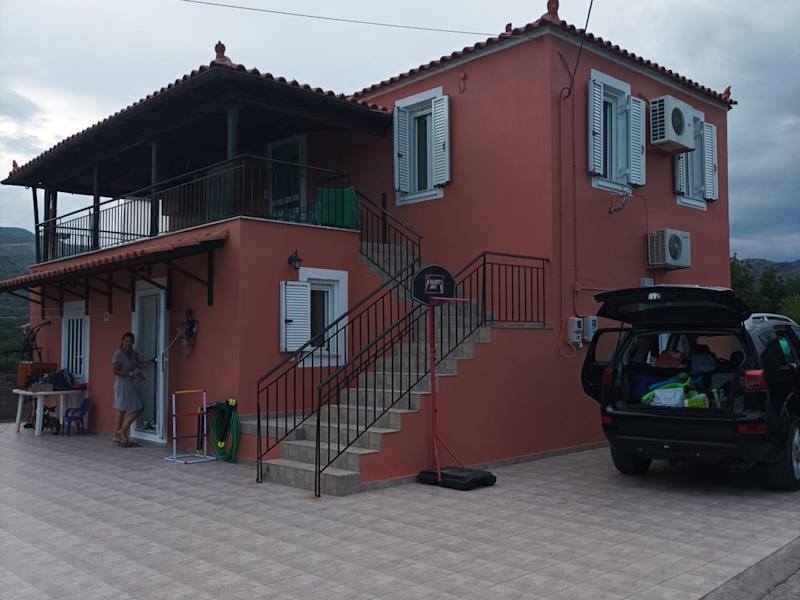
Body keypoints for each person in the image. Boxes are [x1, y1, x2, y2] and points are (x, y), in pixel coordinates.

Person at [112, 332, 155, 447]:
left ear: (133, 343)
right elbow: (115, 371)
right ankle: (122, 431)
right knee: (135, 408)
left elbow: (139, 364)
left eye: (130, 341)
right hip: (122, 383)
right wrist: (131, 373)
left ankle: (117, 435)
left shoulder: (133, 353)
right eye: (126, 341)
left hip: (129, 383)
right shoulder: (118, 354)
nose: (128, 343)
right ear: (122, 341)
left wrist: (152, 361)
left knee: (123, 409)